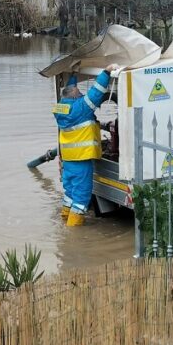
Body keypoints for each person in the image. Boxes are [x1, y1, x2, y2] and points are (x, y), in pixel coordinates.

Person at [53, 64, 115, 226]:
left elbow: (70, 89)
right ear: (74, 96)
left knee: (70, 193)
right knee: (81, 198)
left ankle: (64, 218)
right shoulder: (81, 108)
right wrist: (107, 71)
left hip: (68, 161)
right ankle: (72, 233)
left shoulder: (61, 108)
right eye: (79, 92)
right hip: (81, 161)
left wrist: (73, 74)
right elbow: (96, 92)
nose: (81, 94)